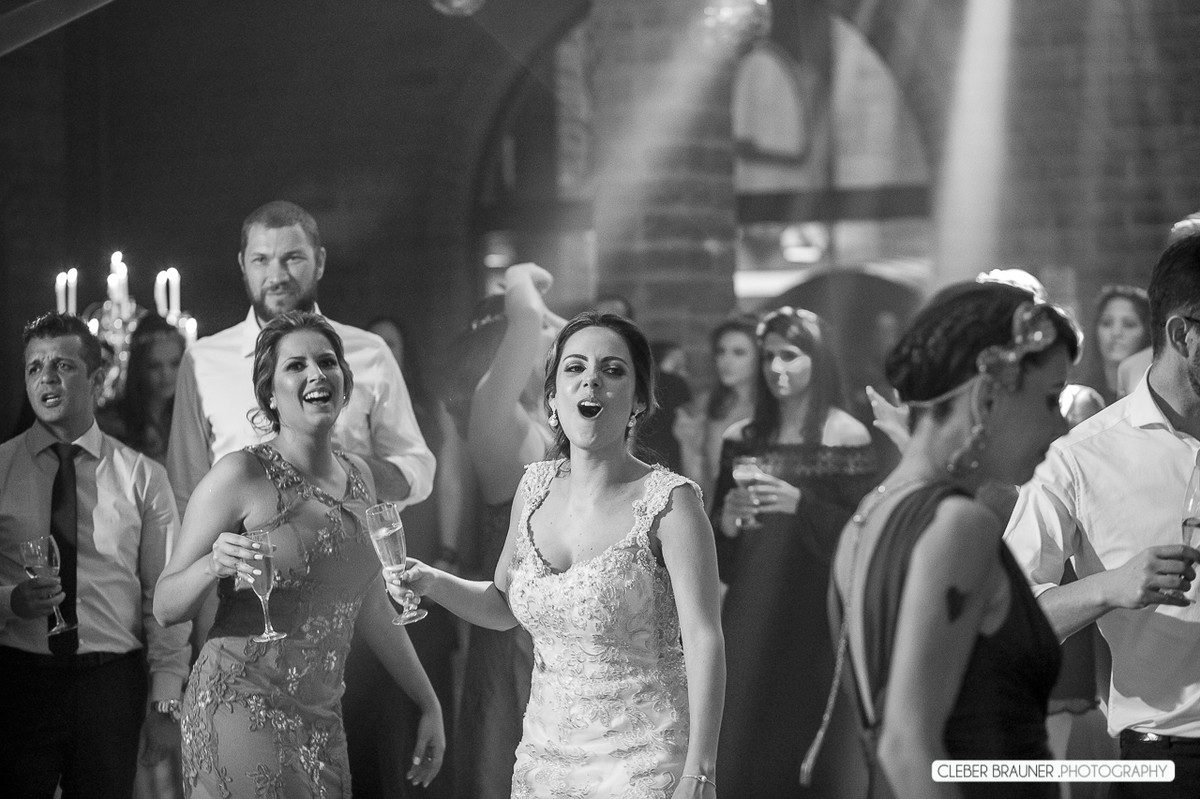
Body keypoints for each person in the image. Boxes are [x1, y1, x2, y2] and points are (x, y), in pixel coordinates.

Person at [387, 310, 726, 797]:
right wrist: (432, 581)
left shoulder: (671, 503)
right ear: (553, 397)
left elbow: (704, 640)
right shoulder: (534, 487)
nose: (592, 379)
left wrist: (701, 770)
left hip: (644, 763)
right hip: (544, 765)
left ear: (638, 401)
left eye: (612, 370)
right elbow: (504, 607)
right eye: (575, 368)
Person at [166, 201, 436, 794]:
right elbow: (172, 570)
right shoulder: (237, 462)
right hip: (242, 689)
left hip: (325, 700)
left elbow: (370, 600)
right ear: (267, 392)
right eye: (261, 259)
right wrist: (215, 564)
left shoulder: (360, 472)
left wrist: (428, 700)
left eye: (326, 363)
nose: (316, 375)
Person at [828, 282, 1078, 799]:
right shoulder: (960, 525)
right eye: (1052, 400)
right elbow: (907, 744)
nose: (1060, 427)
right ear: (988, 395)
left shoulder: (868, 514)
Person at [1005, 234, 1200, 799]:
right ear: (1181, 334)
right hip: (1167, 763)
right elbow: (1013, 624)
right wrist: (1108, 588)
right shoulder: (1081, 457)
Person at [0, 312, 191, 798]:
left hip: (109, 683)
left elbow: (165, 599)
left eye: (62, 365)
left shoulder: (142, 477)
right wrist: (10, 601)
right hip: (19, 678)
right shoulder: (1, 469)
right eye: (34, 367)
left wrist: (165, 702)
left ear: (97, 377)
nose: (45, 377)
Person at [711, 306, 878, 797]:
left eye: (791, 356)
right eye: (768, 358)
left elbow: (862, 536)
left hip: (814, 608)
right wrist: (727, 519)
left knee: (806, 731)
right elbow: (721, 546)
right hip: (750, 603)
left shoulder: (847, 435)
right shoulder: (741, 438)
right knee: (747, 730)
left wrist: (801, 504)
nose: (776, 369)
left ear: (818, 360)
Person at [440, 263, 563, 799]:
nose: (556, 339)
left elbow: (550, 322)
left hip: (563, 620)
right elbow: (532, 317)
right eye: (541, 336)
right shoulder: (494, 414)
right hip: (518, 626)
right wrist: (519, 274)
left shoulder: (543, 420)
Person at [353, 314, 458, 799]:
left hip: (420, 534)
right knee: (379, 694)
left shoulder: (426, 409)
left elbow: (451, 479)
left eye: (392, 345)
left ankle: (427, 777)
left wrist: (449, 552)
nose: (385, 356)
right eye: (377, 348)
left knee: (427, 664)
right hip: (368, 553)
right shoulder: (356, 414)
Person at [676, 315, 759, 504]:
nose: (725, 361)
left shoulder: (774, 408)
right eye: (721, 352)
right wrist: (688, 445)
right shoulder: (709, 405)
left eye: (739, 352)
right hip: (718, 508)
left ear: (760, 357)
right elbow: (701, 481)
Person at [101, 314, 186, 464]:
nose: (166, 374)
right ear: (139, 368)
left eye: (174, 364)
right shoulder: (114, 424)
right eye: (154, 366)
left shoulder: (188, 417)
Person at [1087, 285, 1151, 406]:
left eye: (1129, 324)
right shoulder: (1078, 397)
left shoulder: (1159, 400)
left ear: (1147, 332)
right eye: (1106, 323)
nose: (1116, 333)